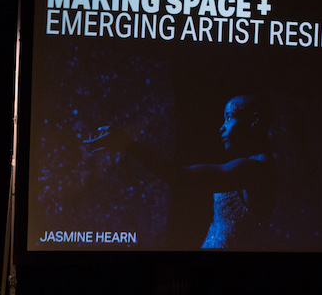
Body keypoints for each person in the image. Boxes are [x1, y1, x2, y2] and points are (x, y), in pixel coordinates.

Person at [85, 94, 276, 250]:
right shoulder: (252, 167)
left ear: (254, 121)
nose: (221, 127)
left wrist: (129, 145)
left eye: (229, 117)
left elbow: (181, 177)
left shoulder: (255, 170)